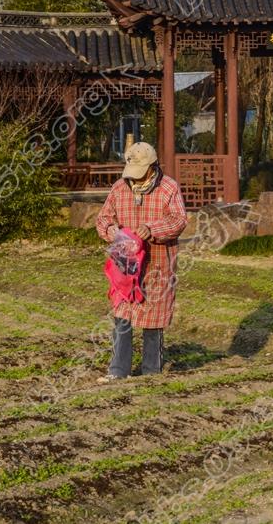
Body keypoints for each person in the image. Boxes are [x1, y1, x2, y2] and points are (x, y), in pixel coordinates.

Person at [95, 142, 188, 382]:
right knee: (122, 316)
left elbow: (178, 220)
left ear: (152, 167)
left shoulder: (169, 188)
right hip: (125, 266)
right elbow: (103, 219)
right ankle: (118, 369)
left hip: (158, 264)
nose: (134, 179)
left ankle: (151, 370)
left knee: (153, 319)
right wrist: (112, 231)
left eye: (139, 172)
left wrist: (152, 229)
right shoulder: (119, 188)